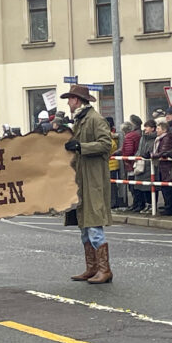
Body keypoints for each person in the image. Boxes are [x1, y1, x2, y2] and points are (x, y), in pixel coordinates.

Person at [62, 84, 114, 284]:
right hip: (82, 180)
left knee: (93, 226)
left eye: (69, 99)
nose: (68, 103)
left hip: (92, 180)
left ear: (76, 100)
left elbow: (106, 144)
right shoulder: (81, 120)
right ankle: (92, 268)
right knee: (84, 226)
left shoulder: (95, 119)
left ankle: (104, 270)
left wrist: (80, 146)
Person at [152, 119, 172, 214]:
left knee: (168, 187)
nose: (156, 130)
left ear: (164, 130)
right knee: (165, 186)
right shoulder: (161, 139)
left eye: (158, 128)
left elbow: (163, 151)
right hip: (163, 166)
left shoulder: (167, 138)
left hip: (167, 166)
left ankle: (170, 207)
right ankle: (168, 205)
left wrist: (152, 155)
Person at [132, 120, 157, 213]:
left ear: (153, 128)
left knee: (150, 186)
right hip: (141, 164)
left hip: (150, 165)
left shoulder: (155, 138)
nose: (145, 128)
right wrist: (137, 156)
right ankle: (146, 205)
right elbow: (139, 149)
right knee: (141, 186)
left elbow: (153, 150)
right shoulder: (143, 137)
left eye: (147, 127)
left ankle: (152, 205)